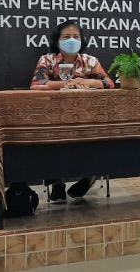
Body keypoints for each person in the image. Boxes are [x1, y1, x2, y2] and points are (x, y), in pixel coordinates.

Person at [29, 20, 115, 201]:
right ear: (57, 40)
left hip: (86, 117)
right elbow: (37, 84)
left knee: (96, 136)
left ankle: (90, 176)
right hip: (55, 117)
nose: (72, 40)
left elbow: (109, 83)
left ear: (82, 40)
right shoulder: (48, 60)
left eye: (76, 37)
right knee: (51, 139)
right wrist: (67, 84)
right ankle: (56, 183)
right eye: (66, 37)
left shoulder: (90, 61)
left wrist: (91, 82)